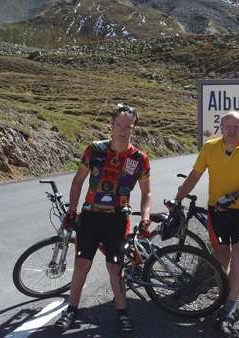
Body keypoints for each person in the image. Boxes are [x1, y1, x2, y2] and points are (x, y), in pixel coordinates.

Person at [55, 104, 151, 333]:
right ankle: (71, 310)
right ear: (111, 125)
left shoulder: (139, 158)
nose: (123, 130)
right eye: (119, 124)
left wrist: (145, 218)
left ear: (134, 129)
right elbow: (78, 181)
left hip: (118, 219)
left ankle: (121, 313)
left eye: (128, 126)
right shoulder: (94, 150)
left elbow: (147, 192)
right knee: (81, 265)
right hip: (90, 217)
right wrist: (72, 211)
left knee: (115, 268)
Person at [175, 111, 239, 335]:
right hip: (216, 209)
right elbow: (195, 175)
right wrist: (178, 197)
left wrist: (234, 196)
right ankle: (223, 295)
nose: (232, 130)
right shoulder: (209, 148)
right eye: (229, 126)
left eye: (237, 126)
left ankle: (230, 309)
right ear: (221, 127)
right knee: (221, 254)